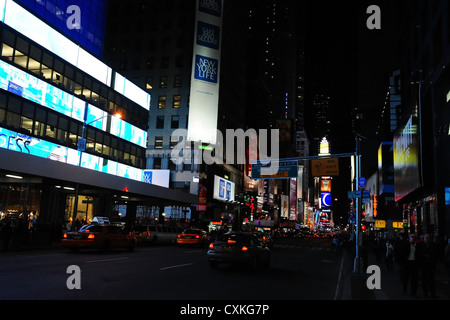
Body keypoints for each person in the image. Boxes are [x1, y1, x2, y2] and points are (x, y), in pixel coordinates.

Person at [419, 233, 438, 298]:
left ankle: (432, 292)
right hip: (424, 265)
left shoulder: (432, 245)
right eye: (426, 238)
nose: (427, 239)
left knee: (431, 280)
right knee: (424, 280)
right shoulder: (421, 246)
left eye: (428, 238)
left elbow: (435, 254)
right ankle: (425, 292)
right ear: (423, 238)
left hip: (431, 265)